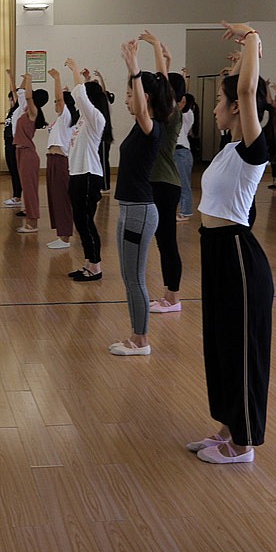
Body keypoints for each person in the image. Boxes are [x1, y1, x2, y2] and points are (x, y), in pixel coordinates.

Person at [185, 20, 272, 464]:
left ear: (239, 109)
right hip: (216, 252)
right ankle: (226, 428)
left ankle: (244, 444)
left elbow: (246, 91)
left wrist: (252, 39)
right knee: (220, 346)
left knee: (240, 349)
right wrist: (239, 60)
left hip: (238, 256)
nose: (216, 107)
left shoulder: (253, 152)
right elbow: (242, 88)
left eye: (221, 101)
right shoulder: (228, 148)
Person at [108, 39, 171, 355]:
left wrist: (134, 66)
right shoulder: (140, 127)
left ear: (144, 99)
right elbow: (163, 85)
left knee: (134, 280)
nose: (126, 99)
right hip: (130, 210)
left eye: (131, 94)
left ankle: (140, 340)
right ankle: (136, 335)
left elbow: (148, 107)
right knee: (127, 276)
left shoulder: (151, 127)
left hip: (140, 212)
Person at [139, 31, 185, 314]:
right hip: (158, 183)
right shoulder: (160, 116)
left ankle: (172, 297)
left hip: (165, 184)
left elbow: (164, 84)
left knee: (167, 241)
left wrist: (157, 46)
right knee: (161, 241)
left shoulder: (171, 115)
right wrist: (165, 57)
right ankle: (169, 295)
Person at [64, 58, 109, 282]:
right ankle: (89, 263)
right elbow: (83, 97)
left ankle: (95, 266)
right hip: (79, 175)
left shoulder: (96, 119)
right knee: (82, 222)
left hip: (88, 176)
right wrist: (86, 79)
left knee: (85, 222)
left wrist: (75, 72)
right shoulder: (84, 119)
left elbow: (81, 96)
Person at [44, 65, 75, 249]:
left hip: (61, 161)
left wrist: (57, 78)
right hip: (52, 160)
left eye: (57, 103)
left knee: (62, 198)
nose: (55, 105)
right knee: (54, 197)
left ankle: (65, 238)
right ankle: (61, 234)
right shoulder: (60, 120)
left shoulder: (67, 116)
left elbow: (60, 99)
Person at [13, 74, 47, 234]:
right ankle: (29, 221)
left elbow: (27, 95)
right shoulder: (26, 110)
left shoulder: (33, 111)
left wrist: (29, 80)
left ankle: (32, 224)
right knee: (26, 189)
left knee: (30, 189)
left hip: (28, 154)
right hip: (20, 152)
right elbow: (21, 94)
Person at [2, 71, 24, 208]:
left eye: (12, 98)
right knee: (12, 170)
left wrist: (11, 79)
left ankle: (17, 196)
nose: (11, 101)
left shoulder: (18, 109)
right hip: (8, 143)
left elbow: (18, 94)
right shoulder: (11, 111)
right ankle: (16, 195)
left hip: (13, 143)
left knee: (16, 171)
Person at [174, 91, 196, 221]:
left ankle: (186, 211)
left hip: (182, 153)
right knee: (176, 184)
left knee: (184, 183)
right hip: (176, 152)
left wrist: (184, 80)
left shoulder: (187, 115)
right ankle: (180, 208)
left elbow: (182, 100)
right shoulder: (177, 116)